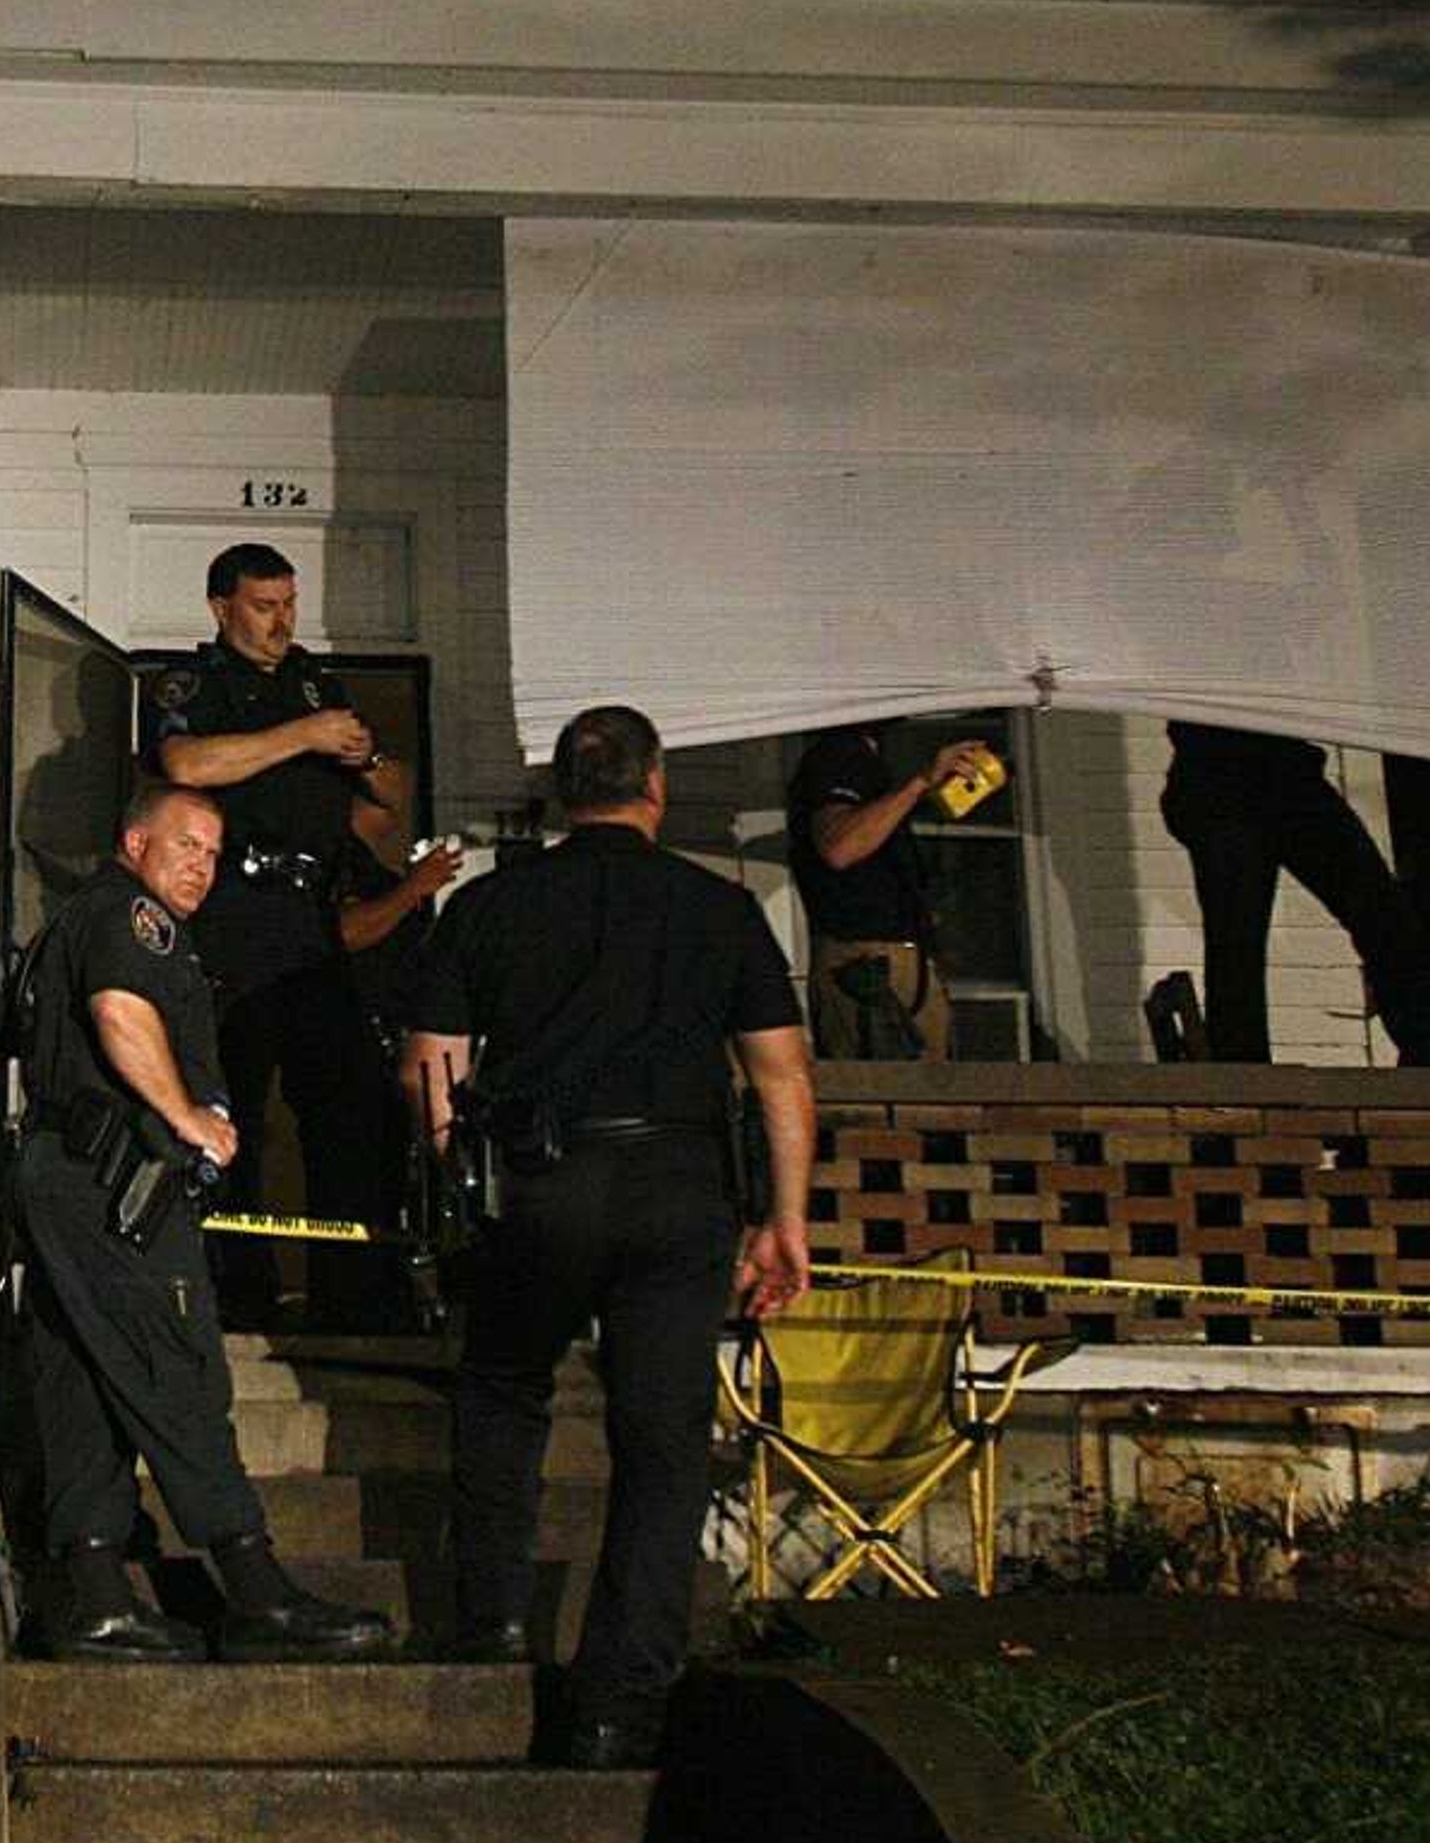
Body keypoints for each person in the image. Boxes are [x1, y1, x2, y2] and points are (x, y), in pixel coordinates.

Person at [401, 705, 814, 1770]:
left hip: (538, 1179)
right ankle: (615, 1698)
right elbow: (781, 1073)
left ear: (557, 792)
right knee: (663, 1437)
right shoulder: (719, 910)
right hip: (678, 1184)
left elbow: (430, 1063)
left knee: (500, 1391)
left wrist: (460, 1173)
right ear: (656, 786)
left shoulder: (486, 905)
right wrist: (786, 1217)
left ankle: (488, 1624)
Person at [0, 780, 395, 1664]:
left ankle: (94, 1593)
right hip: (121, 1191)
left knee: (81, 1383)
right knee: (178, 1374)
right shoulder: (132, 922)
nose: (203, 870)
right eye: (187, 847)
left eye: (214, 856)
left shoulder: (54, 931)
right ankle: (257, 1591)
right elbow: (119, 1013)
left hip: (59, 1189)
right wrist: (187, 1117)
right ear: (134, 842)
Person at [146, 541, 412, 1325]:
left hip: (312, 926)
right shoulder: (197, 684)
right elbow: (186, 763)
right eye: (264, 606)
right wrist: (304, 736)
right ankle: (238, 1291)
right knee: (235, 1119)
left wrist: (365, 755)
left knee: (354, 1108)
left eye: (290, 604)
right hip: (231, 921)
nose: (281, 621)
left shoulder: (314, 682)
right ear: (222, 606)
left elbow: (391, 792)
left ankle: (355, 1291)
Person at [1158, 722, 1430, 1065]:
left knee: (1379, 912)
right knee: (1238, 941)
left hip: (1278, 774)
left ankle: (1428, 1050)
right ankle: (1243, 1070)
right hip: (1222, 776)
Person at [783, 719, 995, 1060]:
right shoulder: (838, 753)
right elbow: (841, 846)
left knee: (926, 1098)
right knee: (890, 1094)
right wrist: (921, 781)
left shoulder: (870, 759)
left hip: (895, 960)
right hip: (867, 967)